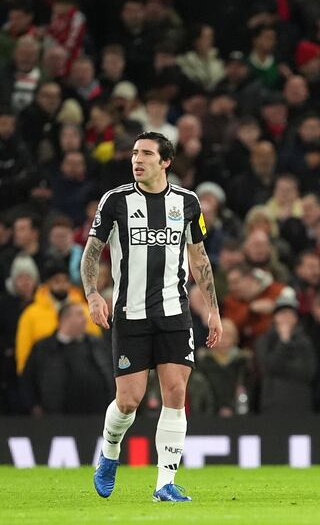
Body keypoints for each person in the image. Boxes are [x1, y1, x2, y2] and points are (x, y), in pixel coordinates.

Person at [81, 131, 223, 502]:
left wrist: (213, 311)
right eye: (134, 153)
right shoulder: (115, 201)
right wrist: (93, 294)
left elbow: (199, 259)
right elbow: (92, 253)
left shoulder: (188, 203)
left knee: (176, 393)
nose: (137, 160)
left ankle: (164, 484)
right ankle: (109, 453)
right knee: (129, 400)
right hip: (130, 314)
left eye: (146, 154)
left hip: (175, 313)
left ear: (166, 162)